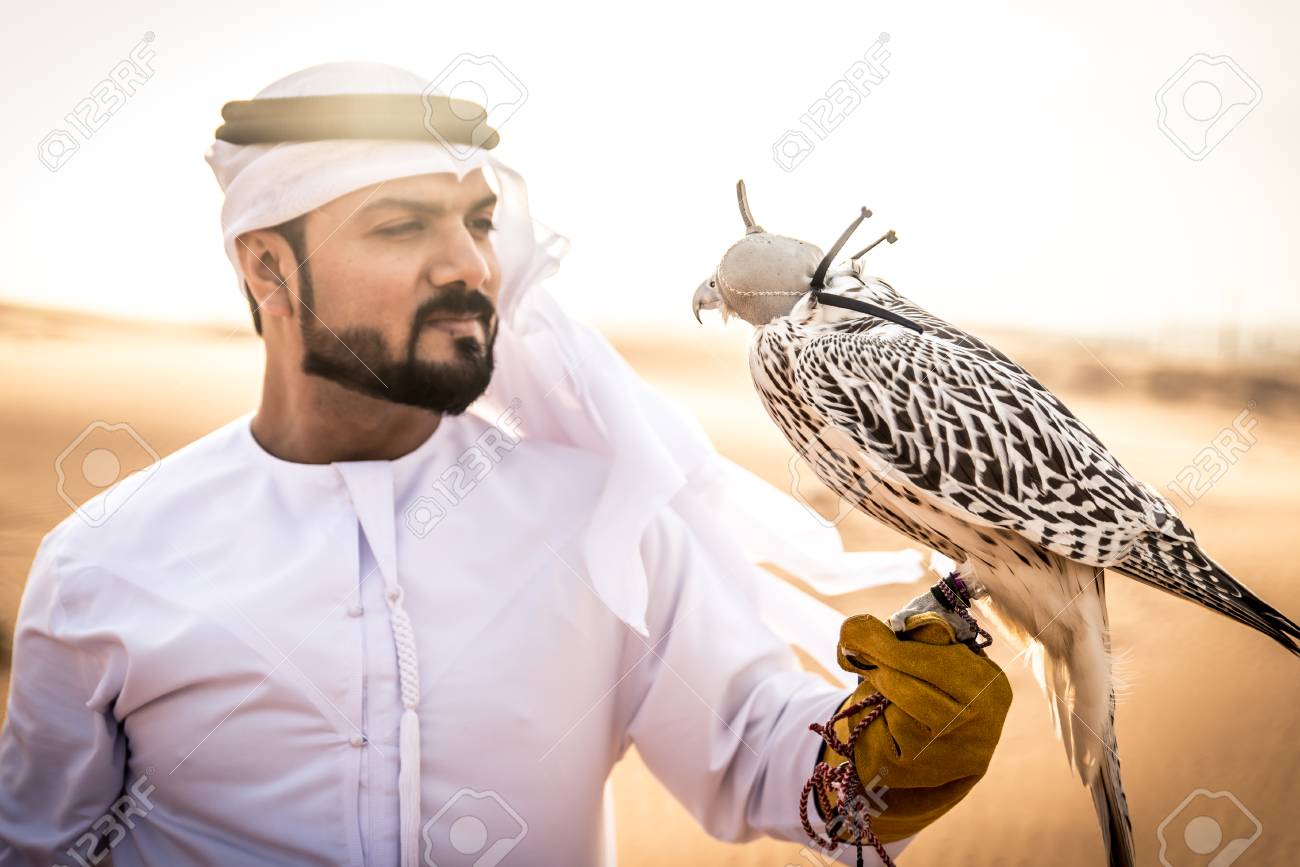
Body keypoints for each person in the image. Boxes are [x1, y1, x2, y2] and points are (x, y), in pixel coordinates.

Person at [0, 62, 1011, 867]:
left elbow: (758, 750)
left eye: (478, 222)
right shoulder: (107, 563)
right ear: (265, 266)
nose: (468, 265)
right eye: (401, 226)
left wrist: (881, 750)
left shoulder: (596, 519)